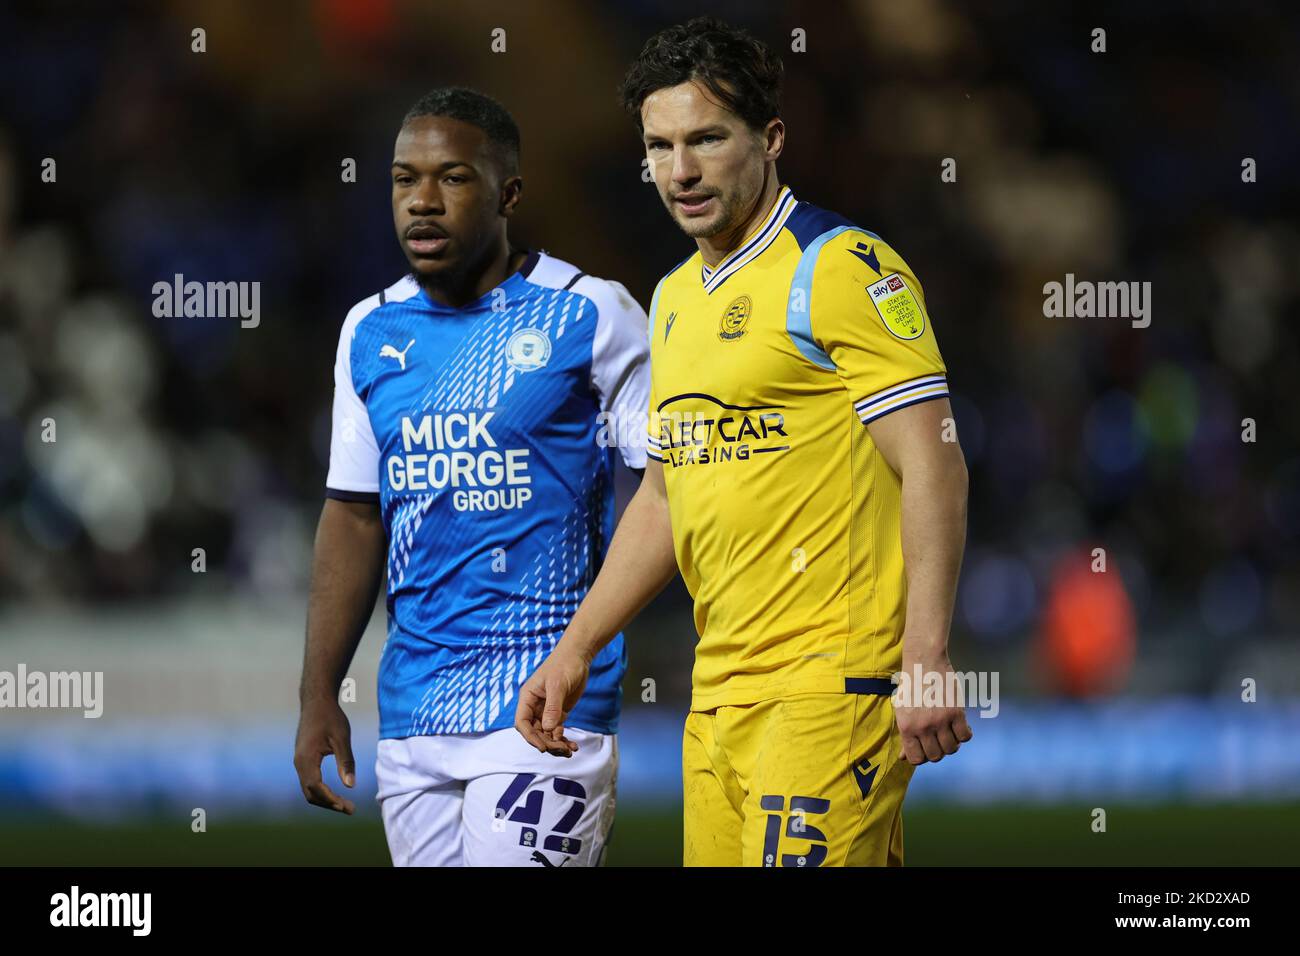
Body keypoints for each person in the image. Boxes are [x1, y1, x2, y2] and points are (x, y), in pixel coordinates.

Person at [516, 18, 972, 867]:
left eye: (706, 139)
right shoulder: (674, 299)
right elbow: (663, 496)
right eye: (658, 146)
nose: (679, 171)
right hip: (720, 694)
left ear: (770, 138)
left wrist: (927, 655)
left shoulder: (839, 267)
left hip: (830, 686)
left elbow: (933, 461)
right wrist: (575, 648)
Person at [294, 87, 650, 867]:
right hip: (415, 712)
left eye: (452, 178)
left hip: (547, 703)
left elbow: (670, 490)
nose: (422, 201)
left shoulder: (591, 314)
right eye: (402, 179)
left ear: (509, 193)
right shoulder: (370, 329)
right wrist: (319, 690)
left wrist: (591, 642)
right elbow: (353, 515)